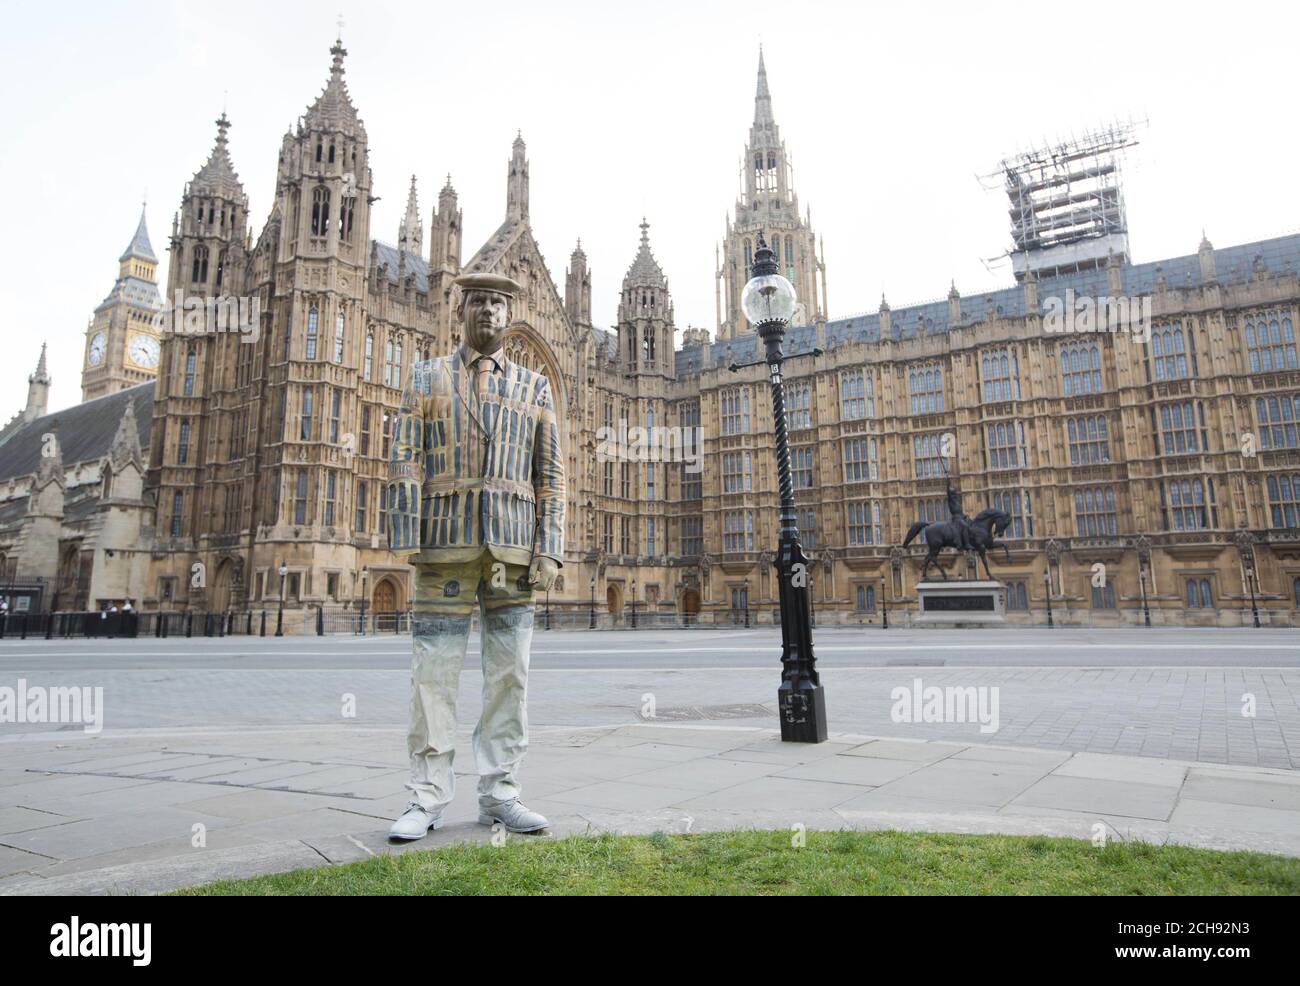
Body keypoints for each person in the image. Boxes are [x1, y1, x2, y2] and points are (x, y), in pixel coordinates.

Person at [386, 272, 565, 840]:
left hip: (513, 553)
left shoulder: (535, 387)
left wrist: (551, 549)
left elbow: (551, 475)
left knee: (509, 678)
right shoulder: (425, 377)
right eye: (478, 301)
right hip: (444, 549)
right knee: (432, 680)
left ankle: (500, 792)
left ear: (508, 313)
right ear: (460, 309)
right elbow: (403, 459)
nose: (488, 310)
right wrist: (402, 533)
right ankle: (426, 796)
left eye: (497, 302)